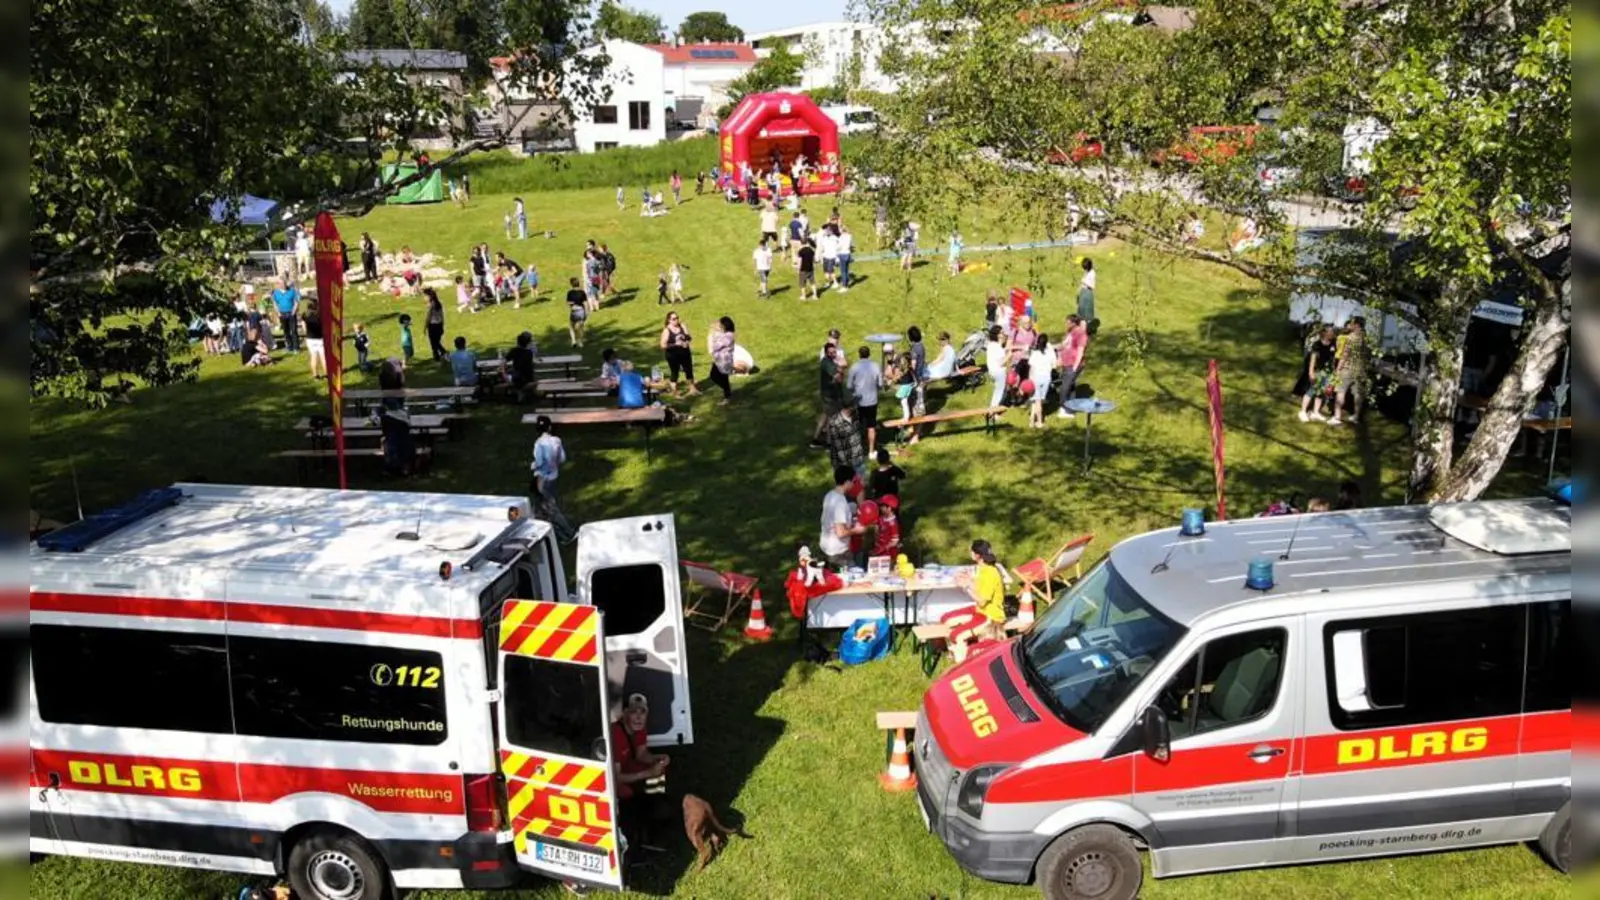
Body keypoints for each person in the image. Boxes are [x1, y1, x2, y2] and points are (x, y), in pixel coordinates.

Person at [941, 540, 1008, 663]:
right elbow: (980, 588)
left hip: (991, 617)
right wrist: (969, 580)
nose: (970, 553)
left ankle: (963, 662)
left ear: (977, 555)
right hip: (980, 610)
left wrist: (966, 586)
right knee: (946, 619)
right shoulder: (983, 568)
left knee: (957, 636)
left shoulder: (990, 573)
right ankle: (958, 650)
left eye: (971, 551)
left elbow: (982, 601)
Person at [530, 415, 576, 543]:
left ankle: (568, 533)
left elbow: (539, 462)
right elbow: (562, 459)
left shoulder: (539, 443)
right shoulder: (557, 441)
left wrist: (533, 465)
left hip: (541, 479)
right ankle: (551, 534)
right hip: (553, 477)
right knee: (540, 508)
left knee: (550, 508)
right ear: (549, 427)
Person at [820, 464, 867, 569]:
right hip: (838, 553)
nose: (854, 484)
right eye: (853, 481)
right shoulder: (840, 503)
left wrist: (849, 510)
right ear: (847, 482)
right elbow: (840, 533)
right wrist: (857, 530)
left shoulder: (829, 495)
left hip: (826, 547)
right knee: (854, 575)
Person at [1328, 317, 1368, 426]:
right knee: (1358, 394)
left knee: (1341, 391)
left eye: (1353, 323)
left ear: (1357, 325)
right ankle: (1356, 416)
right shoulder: (1365, 338)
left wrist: (1338, 368)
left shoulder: (1351, 337)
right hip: (1360, 369)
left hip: (1347, 368)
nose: (1351, 325)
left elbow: (1345, 355)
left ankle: (1337, 417)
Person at [848, 345, 883, 458]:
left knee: (857, 425)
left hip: (858, 401)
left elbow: (849, 386)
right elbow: (880, 384)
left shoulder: (854, 367)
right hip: (872, 401)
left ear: (859, 355)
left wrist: (855, 390)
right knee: (871, 426)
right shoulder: (875, 366)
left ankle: (856, 450)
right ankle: (871, 451)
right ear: (869, 354)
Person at [1297, 325, 1338, 422]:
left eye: (1333, 331)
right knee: (1311, 391)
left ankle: (1315, 412)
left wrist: (1334, 372)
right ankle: (1303, 411)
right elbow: (1313, 359)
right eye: (1330, 331)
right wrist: (1311, 372)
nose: (1332, 333)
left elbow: (1334, 359)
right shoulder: (1317, 344)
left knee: (1321, 392)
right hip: (1317, 371)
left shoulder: (1333, 343)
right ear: (1324, 333)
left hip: (1328, 372)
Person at [811, 341, 846, 449]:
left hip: (829, 394)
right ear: (826, 353)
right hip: (830, 396)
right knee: (831, 419)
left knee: (824, 417)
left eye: (834, 352)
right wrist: (842, 368)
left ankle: (815, 440)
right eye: (831, 352)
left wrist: (840, 367)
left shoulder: (830, 361)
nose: (833, 354)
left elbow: (839, 370)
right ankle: (829, 443)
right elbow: (838, 378)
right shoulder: (827, 363)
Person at [1056, 315, 1090, 418]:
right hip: (1067, 363)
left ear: (1074, 323)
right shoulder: (1070, 332)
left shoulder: (1081, 335)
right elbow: (1063, 345)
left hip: (1073, 364)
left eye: (1068, 322)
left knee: (1065, 387)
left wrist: (1075, 368)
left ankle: (1064, 407)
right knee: (1070, 386)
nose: (1066, 324)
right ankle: (1070, 409)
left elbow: (1080, 352)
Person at [659, 311, 698, 395]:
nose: (676, 320)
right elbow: (662, 345)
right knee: (675, 372)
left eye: (677, 318)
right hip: (672, 355)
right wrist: (676, 344)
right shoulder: (667, 330)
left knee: (689, 370)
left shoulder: (682, 326)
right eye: (674, 319)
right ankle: (675, 392)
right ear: (669, 320)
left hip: (684, 352)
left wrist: (686, 342)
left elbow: (688, 337)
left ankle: (693, 389)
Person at [1027, 331, 1054, 429]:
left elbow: (1032, 368)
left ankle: (1035, 421)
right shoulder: (1050, 353)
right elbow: (1053, 365)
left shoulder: (1034, 354)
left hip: (1036, 378)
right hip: (1046, 379)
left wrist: (1029, 379)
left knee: (1036, 401)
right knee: (1038, 401)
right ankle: (1036, 421)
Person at [707, 316, 736, 405]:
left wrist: (712, 340)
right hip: (719, 360)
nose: (720, 326)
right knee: (719, 377)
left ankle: (727, 393)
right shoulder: (726, 334)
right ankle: (727, 394)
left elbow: (717, 346)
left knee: (715, 376)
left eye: (721, 324)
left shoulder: (729, 335)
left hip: (724, 361)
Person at [270, 278, 301, 353]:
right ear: (278, 284)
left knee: (294, 331)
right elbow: (275, 303)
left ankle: (296, 348)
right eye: (281, 283)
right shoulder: (276, 293)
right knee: (286, 331)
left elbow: (296, 301)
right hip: (282, 314)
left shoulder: (292, 291)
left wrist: (294, 310)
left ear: (285, 283)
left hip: (291, 313)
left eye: (284, 283)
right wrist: (278, 313)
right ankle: (290, 347)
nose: (283, 285)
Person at [506, 330, 537, 403]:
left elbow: (505, 361)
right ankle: (523, 393)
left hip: (517, 378)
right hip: (528, 378)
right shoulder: (529, 353)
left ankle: (520, 393)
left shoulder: (514, 351)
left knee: (507, 375)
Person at [984, 325, 1009, 414]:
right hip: (999, 372)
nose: (1003, 334)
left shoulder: (991, 345)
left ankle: (992, 408)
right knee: (1000, 392)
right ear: (997, 335)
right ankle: (993, 412)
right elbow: (1001, 363)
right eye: (1001, 333)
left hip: (992, 371)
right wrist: (1009, 355)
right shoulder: (997, 347)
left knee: (997, 390)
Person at [871, 494, 903, 559]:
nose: (880, 508)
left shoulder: (893, 523)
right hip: (879, 550)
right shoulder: (881, 518)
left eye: (882, 506)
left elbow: (894, 542)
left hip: (888, 554)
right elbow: (876, 527)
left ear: (889, 508)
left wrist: (884, 548)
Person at [423, 289, 447, 360]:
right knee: (436, 341)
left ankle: (440, 353)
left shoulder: (430, 305)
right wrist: (442, 325)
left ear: (429, 296)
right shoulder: (439, 304)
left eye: (425, 296)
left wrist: (425, 327)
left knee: (434, 342)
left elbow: (428, 317)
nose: (424, 298)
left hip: (432, 326)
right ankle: (439, 354)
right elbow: (442, 316)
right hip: (439, 325)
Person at [303, 308, 327, 379]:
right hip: (320, 339)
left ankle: (315, 375)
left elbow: (304, 325)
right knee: (323, 357)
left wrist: (306, 334)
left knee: (313, 357)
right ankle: (326, 374)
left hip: (310, 339)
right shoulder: (321, 315)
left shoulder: (305, 315)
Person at [566, 277, 588, 347]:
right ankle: (581, 342)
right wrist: (586, 312)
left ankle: (573, 341)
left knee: (572, 326)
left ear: (571, 284)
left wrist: (572, 303)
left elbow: (568, 302)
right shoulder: (582, 292)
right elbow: (585, 303)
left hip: (574, 310)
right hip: (581, 310)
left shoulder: (570, 292)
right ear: (578, 283)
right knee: (581, 328)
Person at [818, 226, 839, 291]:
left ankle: (835, 282)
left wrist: (837, 257)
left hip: (832, 256)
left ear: (831, 232)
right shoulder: (824, 238)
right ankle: (827, 282)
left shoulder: (835, 238)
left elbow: (838, 246)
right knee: (825, 271)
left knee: (831, 270)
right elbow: (822, 247)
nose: (827, 232)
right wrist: (821, 256)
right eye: (826, 231)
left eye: (828, 231)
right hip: (825, 256)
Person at [1077, 257, 1097, 324]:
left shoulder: (1092, 273)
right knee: (1081, 309)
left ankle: (1088, 324)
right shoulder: (1086, 272)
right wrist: (1079, 291)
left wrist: (1084, 282)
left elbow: (1092, 286)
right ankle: (1081, 322)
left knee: (1087, 309)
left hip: (1088, 292)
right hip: (1083, 291)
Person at [836, 225, 854, 291]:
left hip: (842, 254)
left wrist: (836, 248)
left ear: (842, 230)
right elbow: (851, 245)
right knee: (846, 270)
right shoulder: (849, 236)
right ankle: (846, 284)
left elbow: (839, 246)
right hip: (848, 254)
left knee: (843, 271)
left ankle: (844, 286)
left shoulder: (841, 237)